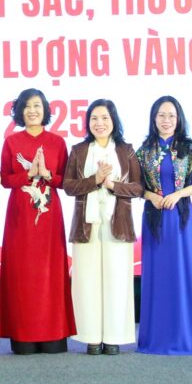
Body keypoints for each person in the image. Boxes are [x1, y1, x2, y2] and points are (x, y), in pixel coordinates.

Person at [0, 88, 75, 354]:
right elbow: (5, 179)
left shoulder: (57, 142)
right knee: (22, 272)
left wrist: (47, 174)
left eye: (37, 106)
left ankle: (53, 332)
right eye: (27, 106)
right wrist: (29, 174)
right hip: (20, 217)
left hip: (49, 216)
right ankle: (23, 334)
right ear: (20, 111)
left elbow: (65, 181)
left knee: (50, 272)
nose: (32, 111)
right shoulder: (11, 142)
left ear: (45, 110)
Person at [63, 99, 144, 355]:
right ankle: (91, 337)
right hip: (86, 225)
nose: (99, 123)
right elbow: (68, 186)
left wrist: (111, 185)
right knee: (86, 281)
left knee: (117, 280)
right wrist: (95, 180)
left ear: (114, 121)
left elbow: (138, 188)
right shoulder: (79, 150)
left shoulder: (126, 150)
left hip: (117, 224)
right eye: (94, 118)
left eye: (105, 118)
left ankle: (113, 337)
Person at [136, 96, 192, 355]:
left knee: (180, 275)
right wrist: (150, 195)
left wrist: (178, 194)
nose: (166, 120)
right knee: (156, 277)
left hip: (180, 219)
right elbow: (134, 185)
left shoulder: (190, 148)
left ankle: (184, 338)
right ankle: (155, 339)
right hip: (154, 220)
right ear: (153, 118)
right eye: (161, 115)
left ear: (179, 119)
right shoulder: (143, 151)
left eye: (171, 116)